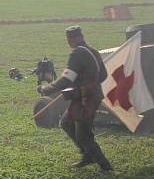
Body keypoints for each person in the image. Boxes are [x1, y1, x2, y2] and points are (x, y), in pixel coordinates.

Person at [38, 25, 112, 171]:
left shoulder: (77, 54)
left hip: (86, 99)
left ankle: (105, 165)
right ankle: (87, 155)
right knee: (66, 122)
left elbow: (67, 78)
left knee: (83, 134)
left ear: (72, 39)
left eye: (69, 39)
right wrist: (87, 85)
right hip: (88, 96)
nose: (69, 42)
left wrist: (46, 89)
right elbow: (103, 75)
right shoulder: (94, 52)